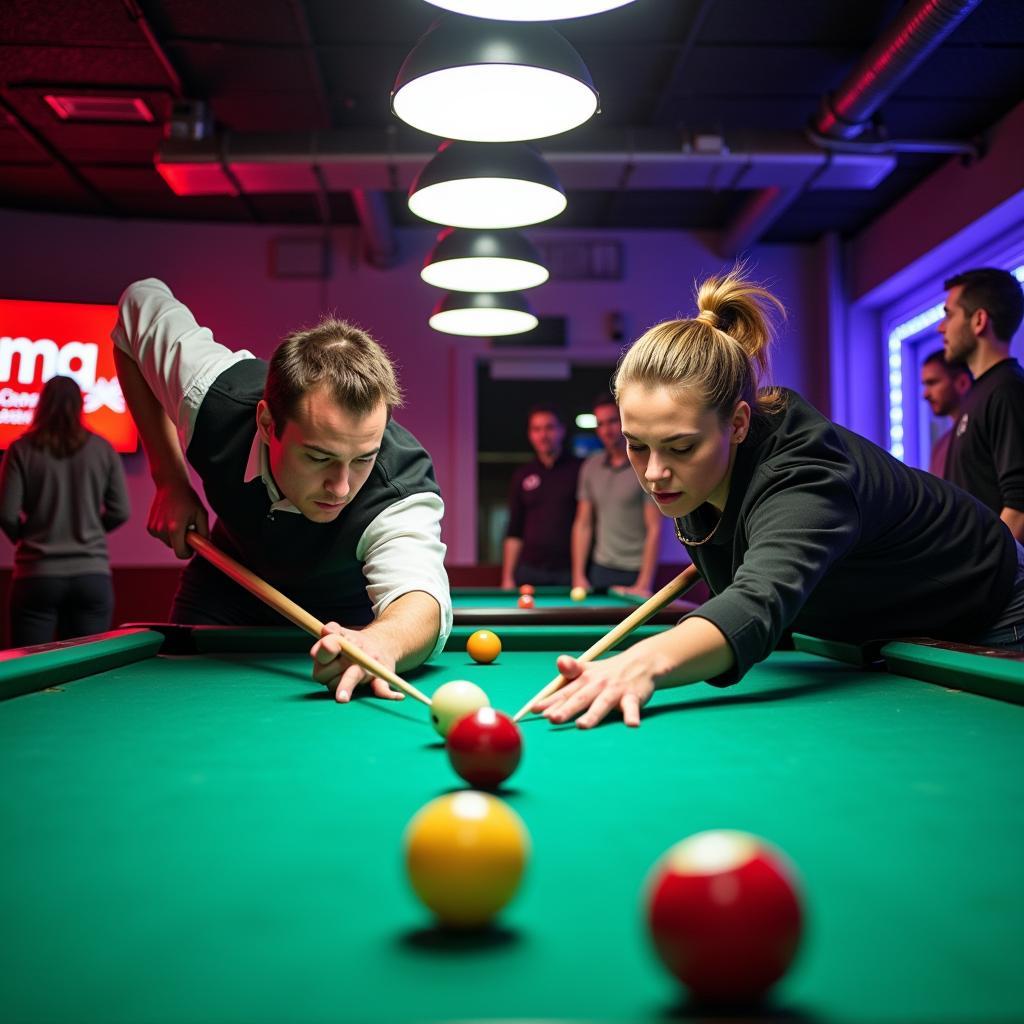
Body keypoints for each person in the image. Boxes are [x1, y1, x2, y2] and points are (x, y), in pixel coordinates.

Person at [533, 268, 1024, 729]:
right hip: (895, 620)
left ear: (739, 424)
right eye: (636, 444)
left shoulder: (804, 476)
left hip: (993, 607)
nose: (655, 472)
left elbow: (756, 599)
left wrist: (639, 665)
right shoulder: (697, 480)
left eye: (681, 447)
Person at [112, 278, 451, 701]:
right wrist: (169, 479)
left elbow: (421, 597)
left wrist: (382, 642)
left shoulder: (398, 488)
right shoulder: (211, 398)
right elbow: (138, 305)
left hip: (344, 621)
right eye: (318, 457)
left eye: (363, 457)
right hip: (226, 589)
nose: (341, 486)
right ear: (268, 425)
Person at [0, 375, 130, 647]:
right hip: (91, 575)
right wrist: (90, 530)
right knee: (85, 671)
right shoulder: (103, 449)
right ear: (80, 404)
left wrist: (27, 535)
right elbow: (121, 511)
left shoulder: (20, 450)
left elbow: (6, 514)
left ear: (41, 404)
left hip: (36, 574)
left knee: (31, 671)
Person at [939, 267, 1024, 541]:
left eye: (949, 315)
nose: (942, 327)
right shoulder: (983, 392)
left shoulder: (1007, 390)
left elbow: (1020, 505)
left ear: (979, 321)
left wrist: (984, 577)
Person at [571, 392, 661, 596]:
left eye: (612, 421)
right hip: (600, 569)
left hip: (635, 571)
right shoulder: (590, 467)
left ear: (624, 421)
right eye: (600, 424)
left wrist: (645, 582)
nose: (606, 429)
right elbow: (583, 524)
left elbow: (654, 528)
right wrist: (578, 575)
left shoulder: (645, 465)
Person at [501, 404, 581, 589]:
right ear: (530, 434)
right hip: (529, 571)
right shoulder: (523, 475)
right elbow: (514, 530)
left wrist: (580, 574)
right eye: (536, 429)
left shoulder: (580, 470)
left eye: (549, 427)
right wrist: (507, 577)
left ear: (562, 430)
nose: (543, 435)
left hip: (568, 572)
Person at [919, 349, 972, 478]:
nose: (925, 394)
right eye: (925, 385)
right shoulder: (940, 447)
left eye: (932, 383)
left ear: (962, 383)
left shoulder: (980, 433)